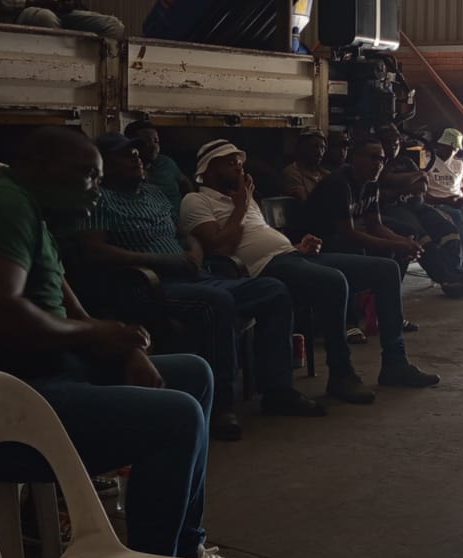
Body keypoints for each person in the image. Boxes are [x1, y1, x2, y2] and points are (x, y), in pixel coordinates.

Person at [0, 127, 259, 558]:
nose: (96, 191)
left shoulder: (30, 211)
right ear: (40, 167)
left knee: (193, 374)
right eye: (88, 177)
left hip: (31, 379)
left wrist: (120, 345)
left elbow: (67, 302)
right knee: (175, 417)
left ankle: (185, 549)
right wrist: (97, 334)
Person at [72, 132, 324, 440]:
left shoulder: (154, 194)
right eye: (126, 156)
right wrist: (162, 261)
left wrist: (193, 254)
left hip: (192, 275)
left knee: (273, 290)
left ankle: (278, 390)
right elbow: (94, 251)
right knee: (216, 301)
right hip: (149, 285)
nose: (136, 159)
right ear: (104, 165)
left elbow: (185, 234)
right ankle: (221, 405)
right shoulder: (99, 198)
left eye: (137, 154)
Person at [180, 139, 442, 403]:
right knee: (333, 281)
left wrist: (296, 246)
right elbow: (220, 247)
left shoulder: (245, 200)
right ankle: (341, 374)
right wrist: (241, 207)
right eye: (230, 164)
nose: (239, 169)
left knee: (386, 270)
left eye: (239, 163)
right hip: (264, 268)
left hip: (291, 256)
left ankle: (395, 363)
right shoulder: (196, 201)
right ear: (208, 169)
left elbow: (260, 235)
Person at [307, 135, 463, 298]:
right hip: (322, 243)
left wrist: (404, 243)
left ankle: (386, 300)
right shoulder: (339, 183)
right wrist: (395, 244)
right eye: (373, 158)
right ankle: (372, 303)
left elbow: (375, 225)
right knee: (390, 250)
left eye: (381, 159)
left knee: (412, 237)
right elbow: (347, 233)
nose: (378, 164)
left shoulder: (372, 184)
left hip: (403, 211)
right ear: (355, 158)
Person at [371, 124, 463, 292]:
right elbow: (382, 185)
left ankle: (459, 277)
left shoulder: (406, 161)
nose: (393, 146)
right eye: (388, 142)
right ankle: (446, 280)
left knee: (449, 230)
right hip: (393, 209)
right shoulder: (375, 164)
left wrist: (402, 182)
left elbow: (423, 184)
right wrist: (407, 183)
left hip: (418, 205)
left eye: (396, 142)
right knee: (421, 237)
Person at [424, 128, 463, 274]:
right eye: (449, 148)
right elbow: (423, 196)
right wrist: (446, 200)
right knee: (456, 215)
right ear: (440, 146)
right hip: (437, 203)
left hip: (457, 201)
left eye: (455, 149)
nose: (452, 152)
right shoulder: (428, 162)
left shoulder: (460, 164)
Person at [124, 120, 189, 211]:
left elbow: (185, 182)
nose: (153, 146)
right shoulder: (126, 171)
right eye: (146, 141)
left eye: (156, 141)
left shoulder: (166, 163)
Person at [280, 128, 327, 201]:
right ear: (302, 147)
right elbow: (306, 202)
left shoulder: (326, 174)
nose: (320, 152)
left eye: (322, 147)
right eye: (315, 146)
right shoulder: (292, 173)